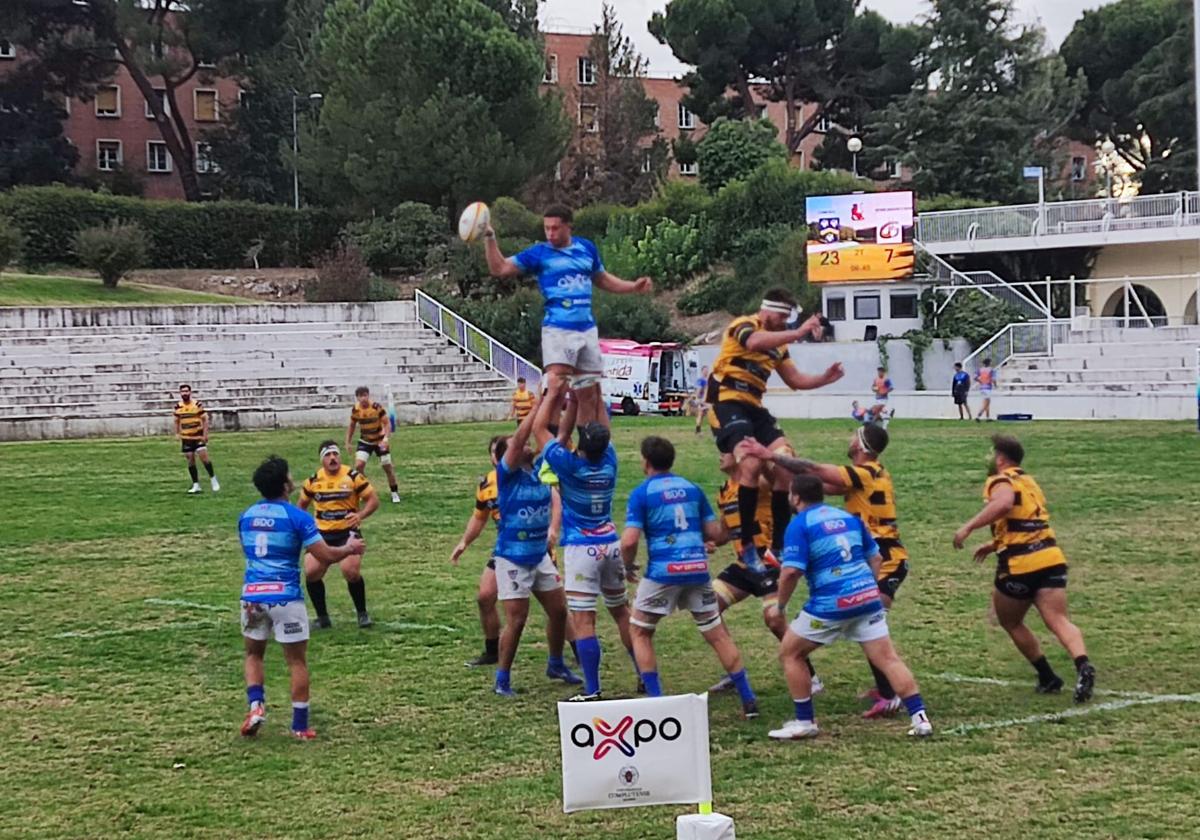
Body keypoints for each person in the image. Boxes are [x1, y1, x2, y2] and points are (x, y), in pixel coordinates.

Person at [746, 424, 910, 720]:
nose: (847, 439)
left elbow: (814, 469)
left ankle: (892, 696)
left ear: (860, 446)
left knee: (873, 625)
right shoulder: (868, 475)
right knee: (869, 626)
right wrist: (779, 474)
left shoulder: (864, 471)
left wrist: (768, 454)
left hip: (885, 558)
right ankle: (888, 690)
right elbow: (816, 486)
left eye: (852, 435)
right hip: (879, 554)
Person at [768, 474, 933, 740]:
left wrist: (780, 606)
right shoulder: (849, 518)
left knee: (791, 653)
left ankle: (805, 721)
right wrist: (866, 585)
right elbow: (877, 557)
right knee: (888, 658)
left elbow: (790, 573)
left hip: (830, 603)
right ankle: (920, 717)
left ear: (795, 497)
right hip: (868, 598)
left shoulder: (800, 524)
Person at [621, 436, 760, 719]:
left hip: (663, 572)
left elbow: (628, 541)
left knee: (640, 631)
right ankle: (748, 698)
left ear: (645, 461)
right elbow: (716, 533)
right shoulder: (692, 489)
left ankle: (656, 702)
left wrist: (627, 566)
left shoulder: (642, 493)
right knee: (717, 633)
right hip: (697, 569)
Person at [709, 288, 844, 572]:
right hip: (727, 402)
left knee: (784, 463)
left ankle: (779, 547)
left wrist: (825, 379)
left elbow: (795, 379)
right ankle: (747, 545)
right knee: (753, 461)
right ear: (766, 310)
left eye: (787, 319)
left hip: (754, 408)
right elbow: (756, 342)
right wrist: (798, 331)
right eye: (781, 317)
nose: (784, 323)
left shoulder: (779, 344)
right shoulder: (743, 326)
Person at [953, 435, 1095, 702]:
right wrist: (994, 543)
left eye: (990, 454)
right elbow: (1025, 523)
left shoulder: (999, 479)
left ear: (1000, 459)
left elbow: (1004, 503)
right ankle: (1083, 664)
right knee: (1058, 620)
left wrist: (968, 527)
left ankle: (1047, 676)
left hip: (1020, 564)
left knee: (1009, 620)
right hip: (1051, 556)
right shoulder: (1029, 482)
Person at [483, 204, 652, 426]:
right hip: (558, 329)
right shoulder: (540, 254)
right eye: (547, 228)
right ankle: (550, 447)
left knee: (588, 393)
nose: (550, 234)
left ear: (568, 227)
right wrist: (489, 238)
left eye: (555, 228)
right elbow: (500, 268)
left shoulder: (586, 248)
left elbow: (602, 279)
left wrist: (632, 287)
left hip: (587, 329)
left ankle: (587, 450)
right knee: (557, 388)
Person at [238, 455, 364, 740]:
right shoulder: (298, 518)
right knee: (296, 661)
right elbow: (325, 555)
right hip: (286, 597)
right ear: (285, 484)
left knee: (254, 653)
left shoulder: (245, 516)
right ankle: (300, 725)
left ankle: (256, 706)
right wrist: (349, 548)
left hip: (252, 596)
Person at [536, 375, 636, 701]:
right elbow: (601, 422)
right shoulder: (610, 461)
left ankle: (592, 689)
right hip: (610, 542)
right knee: (621, 611)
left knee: (584, 619)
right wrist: (587, 392)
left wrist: (555, 393)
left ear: (581, 444)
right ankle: (644, 672)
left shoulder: (568, 466)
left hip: (581, 546)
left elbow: (540, 430)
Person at [708, 451, 823, 696]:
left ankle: (811, 676)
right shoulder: (724, 491)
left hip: (769, 562)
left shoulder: (758, 482)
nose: (720, 456)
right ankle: (734, 671)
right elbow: (724, 533)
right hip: (744, 566)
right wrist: (703, 541)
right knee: (708, 607)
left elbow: (779, 481)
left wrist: (759, 456)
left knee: (774, 619)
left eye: (725, 452)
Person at [492, 388, 581, 696]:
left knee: (559, 611)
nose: (528, 446)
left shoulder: (539, 473)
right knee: (517, 620)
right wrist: (541, 402)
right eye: (521, 446)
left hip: (539, 555)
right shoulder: (507, 476)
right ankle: (502, 678)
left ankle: (555, 663)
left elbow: (559, 434)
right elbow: (519, 438)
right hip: (512, 558)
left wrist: (565, 400)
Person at [299, 441, 379, 629]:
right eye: (328, 455)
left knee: (351, 572)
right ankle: (322, 618)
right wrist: (306, 527)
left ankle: (362, 613)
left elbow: (373, 500)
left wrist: (360, 515)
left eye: (335, 454)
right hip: (322, 536)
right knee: (311, 573)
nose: (333, 458)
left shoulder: (352, 477)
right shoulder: (313, 481)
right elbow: (301, 507)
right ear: (322, 460)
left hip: (347, 533)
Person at [450, 435, 507, 667]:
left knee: (555, 608)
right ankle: (492, 651)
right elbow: (479, 517)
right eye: (495, 452)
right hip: (505, 549)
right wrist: (464, 542)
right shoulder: (486, 485)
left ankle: (577, 650)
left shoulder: (528, 476)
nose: (499, 455)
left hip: (534, 548)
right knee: (485, 597)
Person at [346, 386, 401, 504]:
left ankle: (394, 492)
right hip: (365, 441)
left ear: (368, 396)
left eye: (365, 395)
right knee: (359, 466)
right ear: (357, 398)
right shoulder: (356, 410)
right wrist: (348, 442)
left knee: (387, 466)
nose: (363, 399)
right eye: (360, 396)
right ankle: (365, 490)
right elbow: (352, 425)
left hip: (379, 440)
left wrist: (385, 439)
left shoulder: (376, 407)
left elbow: (387, 423)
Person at [174, 384, 219, 494]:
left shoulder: (197, 405)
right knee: (190, 461)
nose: (184, 393)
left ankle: (213, 479)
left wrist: (205, 434)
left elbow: (205, 419)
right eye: (182, 392)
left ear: (190, 392)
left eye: (186, 391)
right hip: (186, 437)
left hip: (198, 436)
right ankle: (196, 484)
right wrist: (177, 433)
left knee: (204, 459)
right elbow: (176, 420)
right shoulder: (178, 406)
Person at [691, 366, 711, 434]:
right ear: (702, 371)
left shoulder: (707, 380)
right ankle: (698, 429)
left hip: (707, 400)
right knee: (701, 414)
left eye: (707, 370)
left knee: (702, 414)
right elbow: (698, 390)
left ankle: (698, 429)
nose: (706, 372)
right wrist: (697, 398)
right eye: (705, 370)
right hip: (702, 399)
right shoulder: (701, 380)